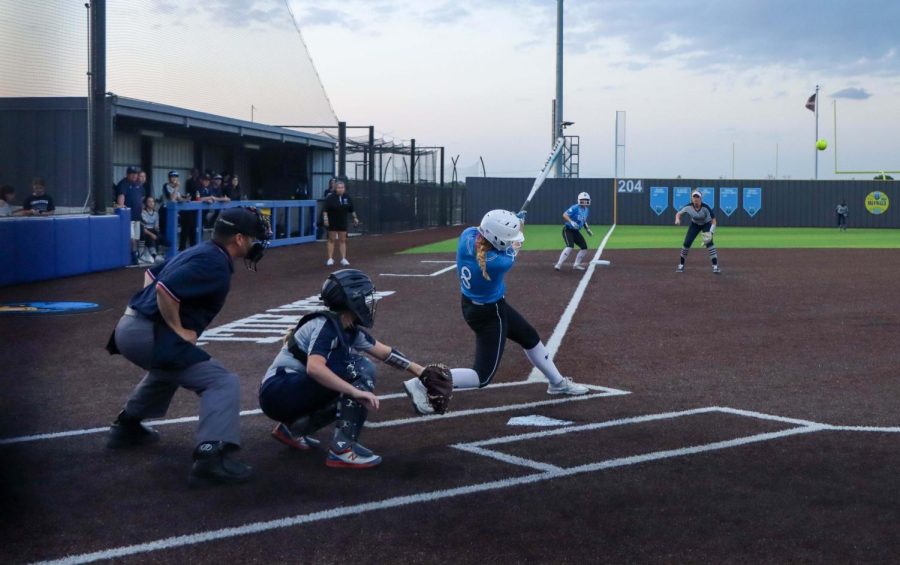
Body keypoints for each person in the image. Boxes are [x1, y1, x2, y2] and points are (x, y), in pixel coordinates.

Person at [104, 207, 272, 487]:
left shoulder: (203, 251)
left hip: (132, 326)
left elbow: (151, 274)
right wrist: (177, 328)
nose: (257, 244)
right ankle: (211, 456)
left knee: (171, 366)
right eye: (254, 238)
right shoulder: (215, 263)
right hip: (145, 332)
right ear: (239, 239)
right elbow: (163, 289)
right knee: (222, 381)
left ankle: (127, 427)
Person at [260, 269, 448, 467]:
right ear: (351, 299)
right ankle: (343, 449)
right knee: (360, 369)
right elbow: (314, 369)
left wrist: (422, 373)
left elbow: (385, 352)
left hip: (284, 393)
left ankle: (293, 429)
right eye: (365, 297)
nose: (369, 303)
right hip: (278, 393)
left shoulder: (345, 327)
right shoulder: (326, 326)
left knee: (350, 372)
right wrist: (355, 392)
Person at [416, 209, 589, 402]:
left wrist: (510, 222)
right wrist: (519, 225)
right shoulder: (498, 263)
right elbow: (514, 246)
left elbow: (492, 235)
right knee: (482, 376)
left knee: (529, 337)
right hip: (490, 313)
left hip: (472, 306)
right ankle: (427, 379)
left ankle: (557, 383)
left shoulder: (467, 236)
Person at [674, 190, 720, 274]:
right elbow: (678, 213)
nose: (695, 199)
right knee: (686, 243)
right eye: (694, 197)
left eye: (697, 197)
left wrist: (711, 233)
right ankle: (681, 265)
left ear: (700, 198)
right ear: (691, 198)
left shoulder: (705, 207)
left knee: (709, 243)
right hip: (694, 225)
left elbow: (714, 221)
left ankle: (715, 266)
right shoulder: (688, 207)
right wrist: (677, 219)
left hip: (706, 224)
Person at [322, 180, 360, 266]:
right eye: (339, 188)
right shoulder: (330, 197)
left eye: (342, 187)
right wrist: (325, 219)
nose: (341, 189)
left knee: (343, 240)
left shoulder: (347, 197)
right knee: (331, 240)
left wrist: (355, 218)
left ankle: (343, 259)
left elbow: (352, 209)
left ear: (344, 188)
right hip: (332, 222)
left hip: (342, 222)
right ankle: (330, 259)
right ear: (335, 188)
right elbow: (325, 210)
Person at [554, 191, 594, 271]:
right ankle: (558, 264)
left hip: (576, 231)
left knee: (584, 247)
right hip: (568, 229)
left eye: (586, 200)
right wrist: (571, 222)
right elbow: (565, 214)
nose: (585, 201)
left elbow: (584, 221)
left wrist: (588, 229)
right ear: (579, 200)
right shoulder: (575, 207)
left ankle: (576, 264)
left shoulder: (586, 210)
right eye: (583, 200)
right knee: (570, 246)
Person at [115, 166, 148, 263]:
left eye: (136, 174)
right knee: (131, 237)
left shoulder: (138, 184)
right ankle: (134, 257)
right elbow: (121, 198)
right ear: (128, 174)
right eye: (132, 173)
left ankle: (134, 254)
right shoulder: (123, 184)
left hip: (137, 216)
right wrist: (121, 205)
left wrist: (140, 209)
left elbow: (142, 197)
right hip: (128, 217)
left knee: (136, 238)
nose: (134, 175)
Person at [139, 196, 167, 264]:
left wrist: (158, 232)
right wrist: (152, 234)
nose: (151, 203)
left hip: (153, 229)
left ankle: (158, 254)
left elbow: (156, 226)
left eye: (152, 201)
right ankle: (154, 255)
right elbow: (143, 228)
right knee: (152, 238)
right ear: (146, 203)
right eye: (149, 201)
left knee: (164, 240)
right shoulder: (143, 213)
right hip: (145, 231)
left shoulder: (156, 213)